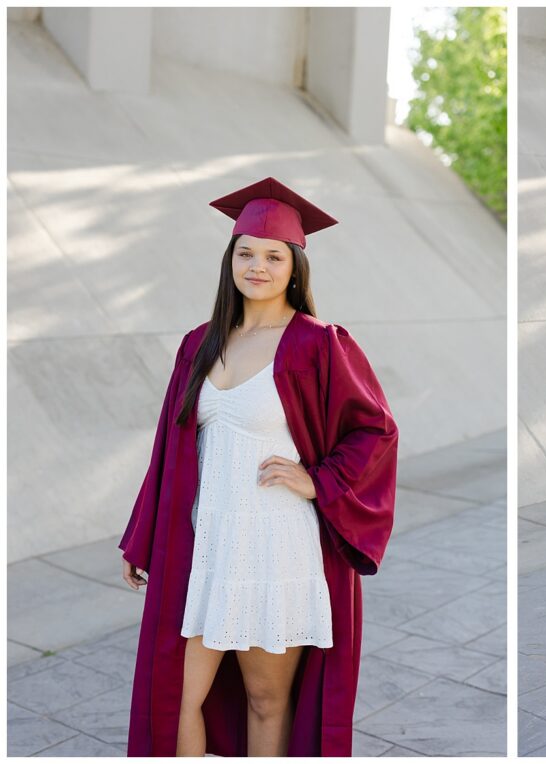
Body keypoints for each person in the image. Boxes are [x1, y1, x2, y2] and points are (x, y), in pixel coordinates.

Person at [118, 176, 398, 755]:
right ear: (230, 260)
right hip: (205, 544)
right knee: (174, 700)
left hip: (277, 544)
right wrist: (142, 538)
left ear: (295, 266)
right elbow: (170, 451)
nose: (258, 266)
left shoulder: (319, 344)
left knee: (266, 702)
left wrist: (317, 482)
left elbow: (375, 430)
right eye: (246, 253)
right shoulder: (200, 342)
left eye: (274, 256)